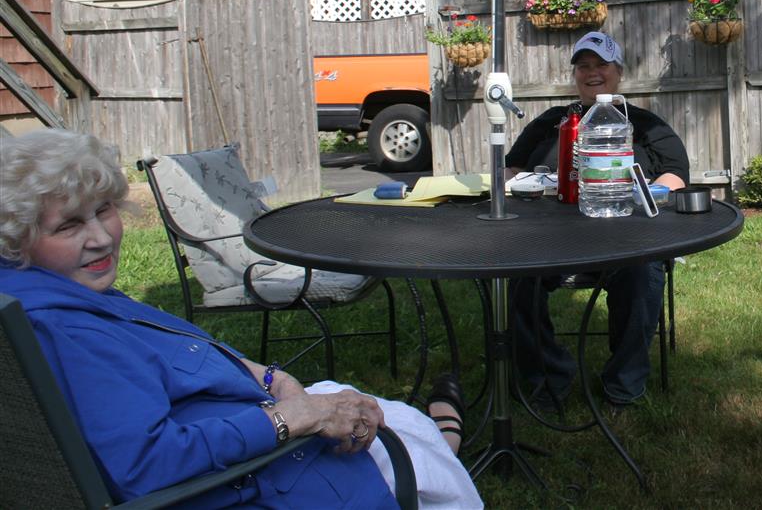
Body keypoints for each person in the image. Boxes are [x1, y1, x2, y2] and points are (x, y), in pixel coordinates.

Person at [0, 129, 482, 510]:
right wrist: (292, 417)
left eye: (104, 210)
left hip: (245, 423)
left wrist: (276, 377)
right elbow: (148, 464)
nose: (101, 238)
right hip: (252, 476)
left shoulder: (51, 289)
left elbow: (170, 361)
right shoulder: (69, 331)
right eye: (68, 225)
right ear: (16, 238)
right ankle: (443, 444)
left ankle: (438, 441)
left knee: (395, 418)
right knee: (406, 442)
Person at [504, 31, 689, 409]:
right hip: (550, 236)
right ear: (574, 76)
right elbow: (510, 170)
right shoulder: (552, 121)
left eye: (600, 65)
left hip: (625, 234)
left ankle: (623, 383)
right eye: (583, 66)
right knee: (516, 277)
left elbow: (676, 175)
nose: (591, 73)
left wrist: (642, 194)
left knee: (642, 275)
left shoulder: (643, 122)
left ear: (618, 72)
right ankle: (547, 378)